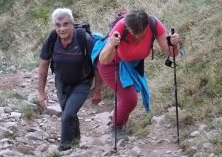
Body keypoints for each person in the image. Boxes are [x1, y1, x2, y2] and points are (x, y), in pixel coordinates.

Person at [93, 9, 180, 140]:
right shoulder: (121, 27)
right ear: (128, 27)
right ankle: (116, 126)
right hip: (111, 65)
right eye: (134, 34)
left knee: (127, 97)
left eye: (141, 33)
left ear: (146, 26)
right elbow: (103, 60)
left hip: (131, 65)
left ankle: (116, 115)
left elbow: (171, 53)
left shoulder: (154, 25)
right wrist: (111, 45)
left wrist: (174, 44)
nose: (137, 37)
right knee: (130, 99)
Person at [38, 8, 102, 151]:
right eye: (58, 25)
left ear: (72, 24)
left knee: (67, 116)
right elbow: (43, 67)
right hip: (62, 83)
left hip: (83, 82)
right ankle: (76, 143)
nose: (62, 29)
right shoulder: (52, 39)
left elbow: (98, 67)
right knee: (70, 113)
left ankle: (64, 147)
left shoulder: (84, 39)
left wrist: (97, 89)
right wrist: (41, 92)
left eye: (65, 24)